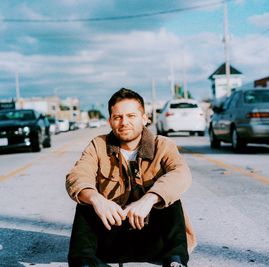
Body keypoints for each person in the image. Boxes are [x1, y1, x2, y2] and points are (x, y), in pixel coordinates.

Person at [66, 88, 196, 267]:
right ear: (110, 121)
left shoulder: (163, 145)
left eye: (131, 116)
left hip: (154, 240)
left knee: (169, 199)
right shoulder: (98, 145)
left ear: (144, 118)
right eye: (118, 117)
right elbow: (78, 175)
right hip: (111, 239)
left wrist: (150, 199)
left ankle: (175, 262)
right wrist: (96, 199)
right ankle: (85, 263)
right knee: (85, 201)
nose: (124, 122)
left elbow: (181, 174)